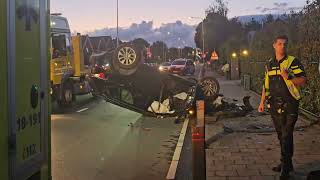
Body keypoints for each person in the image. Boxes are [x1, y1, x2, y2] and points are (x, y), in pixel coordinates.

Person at [258, 35, 306, 180]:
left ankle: (285, 168)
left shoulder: (293, 62)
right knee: (282, 135)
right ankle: (287, 163)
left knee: (286, 135)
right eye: (279, 44)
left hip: (290, 104)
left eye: (284, 44)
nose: (282, 46)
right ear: (274, 45)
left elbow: (303, 81)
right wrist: (261, 102)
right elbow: (265, 85)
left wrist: (289, 77)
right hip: (274, 105)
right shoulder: (269, 64)